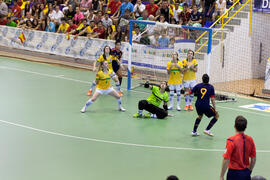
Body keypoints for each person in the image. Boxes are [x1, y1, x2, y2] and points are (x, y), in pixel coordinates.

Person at [220, 116, 256, 180]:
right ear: (245, 127)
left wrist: (221, 176)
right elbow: (253, 159)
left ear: (234, 126)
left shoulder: (231, 140)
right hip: (246, 173)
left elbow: (226, 159)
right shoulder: (250, 140)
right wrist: (249, 171)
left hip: (234, 173)